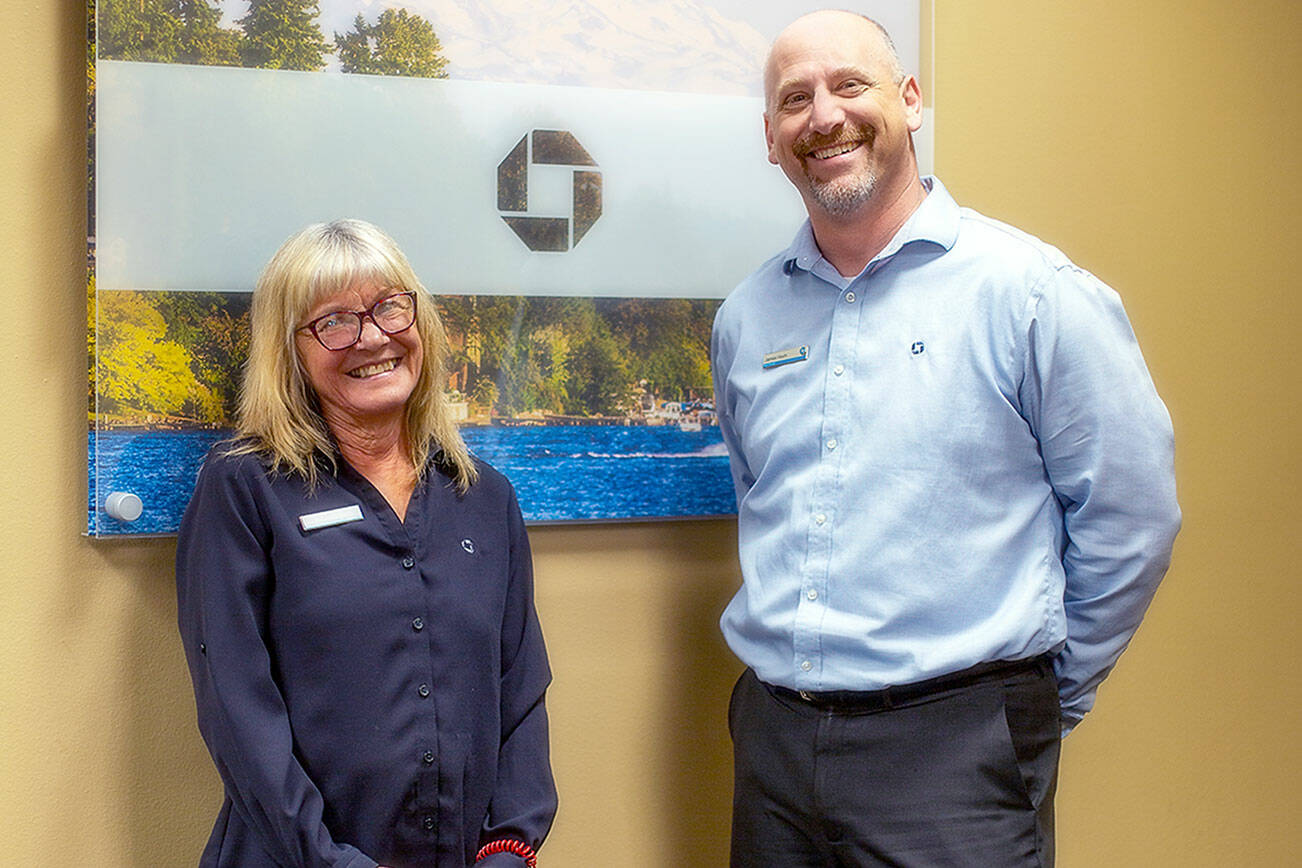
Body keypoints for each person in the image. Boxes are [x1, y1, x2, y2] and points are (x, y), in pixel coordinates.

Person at [710, 11, 1180, 867]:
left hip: (957, 755)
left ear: (911, 101)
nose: (824, 116)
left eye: (850, 85)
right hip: (774, 749)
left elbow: (1133, 518)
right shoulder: (746, 318)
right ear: (771, 139)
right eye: (795, 99)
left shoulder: (1032, 294)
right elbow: (760, 501)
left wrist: (1037, 703)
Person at [176, 219, 556, 868]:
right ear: (289, 352)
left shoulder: (485, 498)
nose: (373, 337)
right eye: (334, 322)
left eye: (389, 307)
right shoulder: (243, 487)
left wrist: (509, 848)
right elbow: (238, 712)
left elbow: (519, 693)